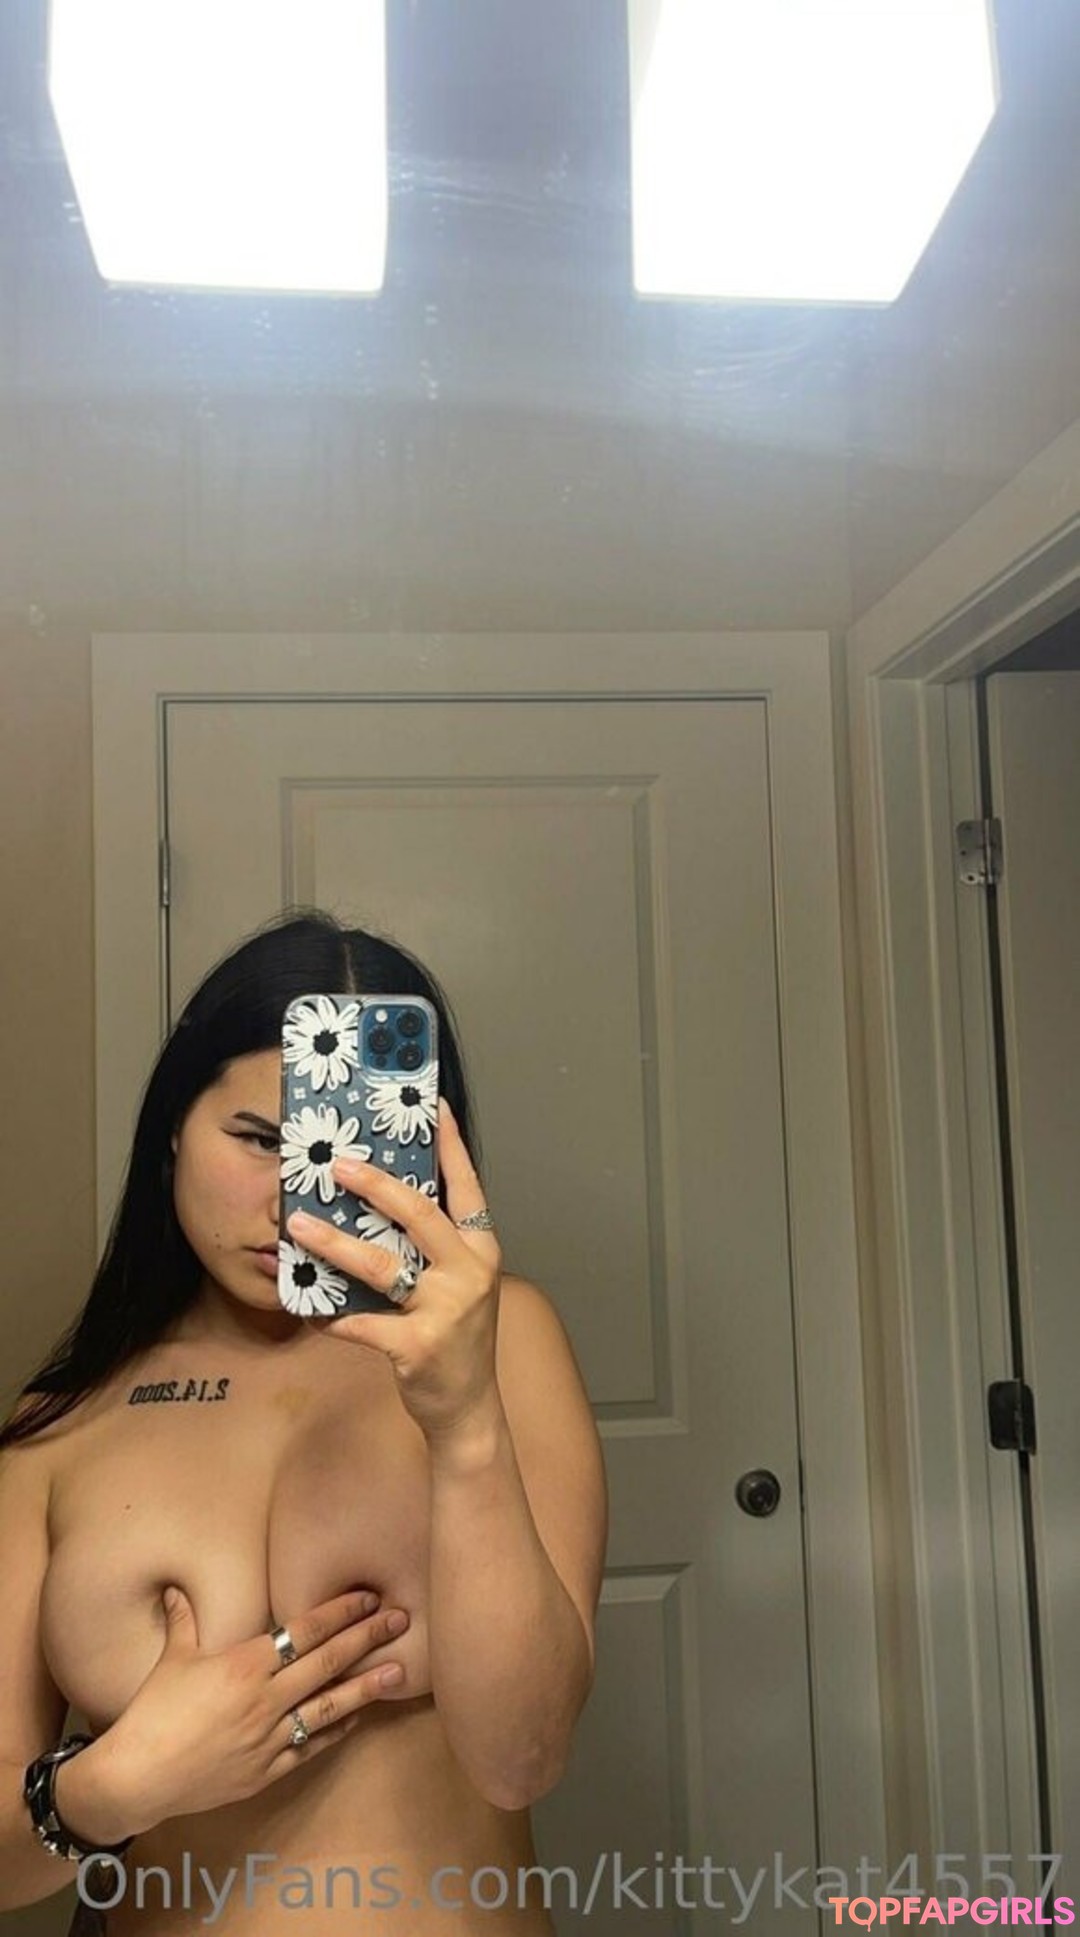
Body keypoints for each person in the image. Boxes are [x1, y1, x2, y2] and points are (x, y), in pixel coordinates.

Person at [0, 912, 608, 1936]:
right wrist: (111, 1787)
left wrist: (463, 1424)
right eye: (257, 1139)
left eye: (342, 1150)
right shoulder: (64, 1420)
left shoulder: (504, 1346)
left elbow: (523, 1757)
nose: (296, 1200)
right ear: (173, 1127)